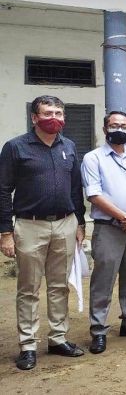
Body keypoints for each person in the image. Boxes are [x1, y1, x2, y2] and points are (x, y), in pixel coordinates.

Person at [0, 95, 87, 370]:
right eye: (48, 112)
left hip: (65, 223)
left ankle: (58, 338)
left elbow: (76, 188)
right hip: (29, 225)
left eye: (59, 113)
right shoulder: (15, 148)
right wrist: (5, 231)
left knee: (60, 285)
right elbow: (2, 190)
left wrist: (80, 223)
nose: (54, 118)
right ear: (34, 118)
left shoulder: (69, 146)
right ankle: (27, 345)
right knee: (29, 288)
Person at [81, 111, 126, 355]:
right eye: (114, 125)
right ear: (105, 129)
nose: (119, 129)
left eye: (123, 125)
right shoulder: (93, 158)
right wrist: (123, 216)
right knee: (103, 279)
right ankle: (98, 330)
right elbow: (94, 194)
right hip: (109, 228)